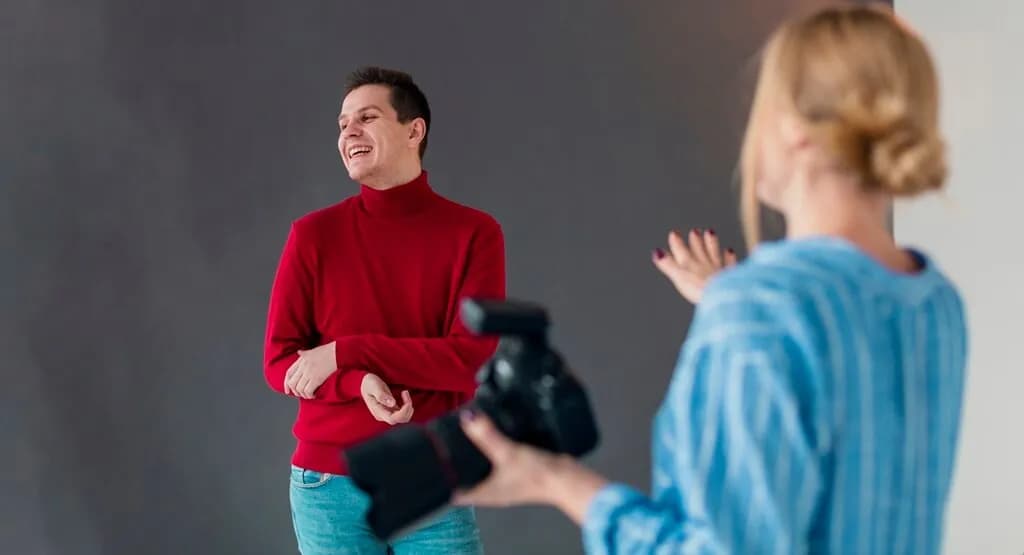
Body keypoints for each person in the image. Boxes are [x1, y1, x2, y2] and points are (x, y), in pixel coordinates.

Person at [455, 4, 966, 554]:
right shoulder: (933, 301)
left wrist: (555, 482)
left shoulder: (759, 311)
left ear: (796, 130)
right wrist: (729, 305)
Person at [263, 66, 505, 554]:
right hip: (326, 487)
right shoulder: (313, 236)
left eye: (366, 118)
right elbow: (280, 364)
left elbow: (469, 359)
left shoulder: (474, 234)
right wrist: (357, 379)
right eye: (342, 123)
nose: (348, 132)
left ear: (414, 130)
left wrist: (344, 352)